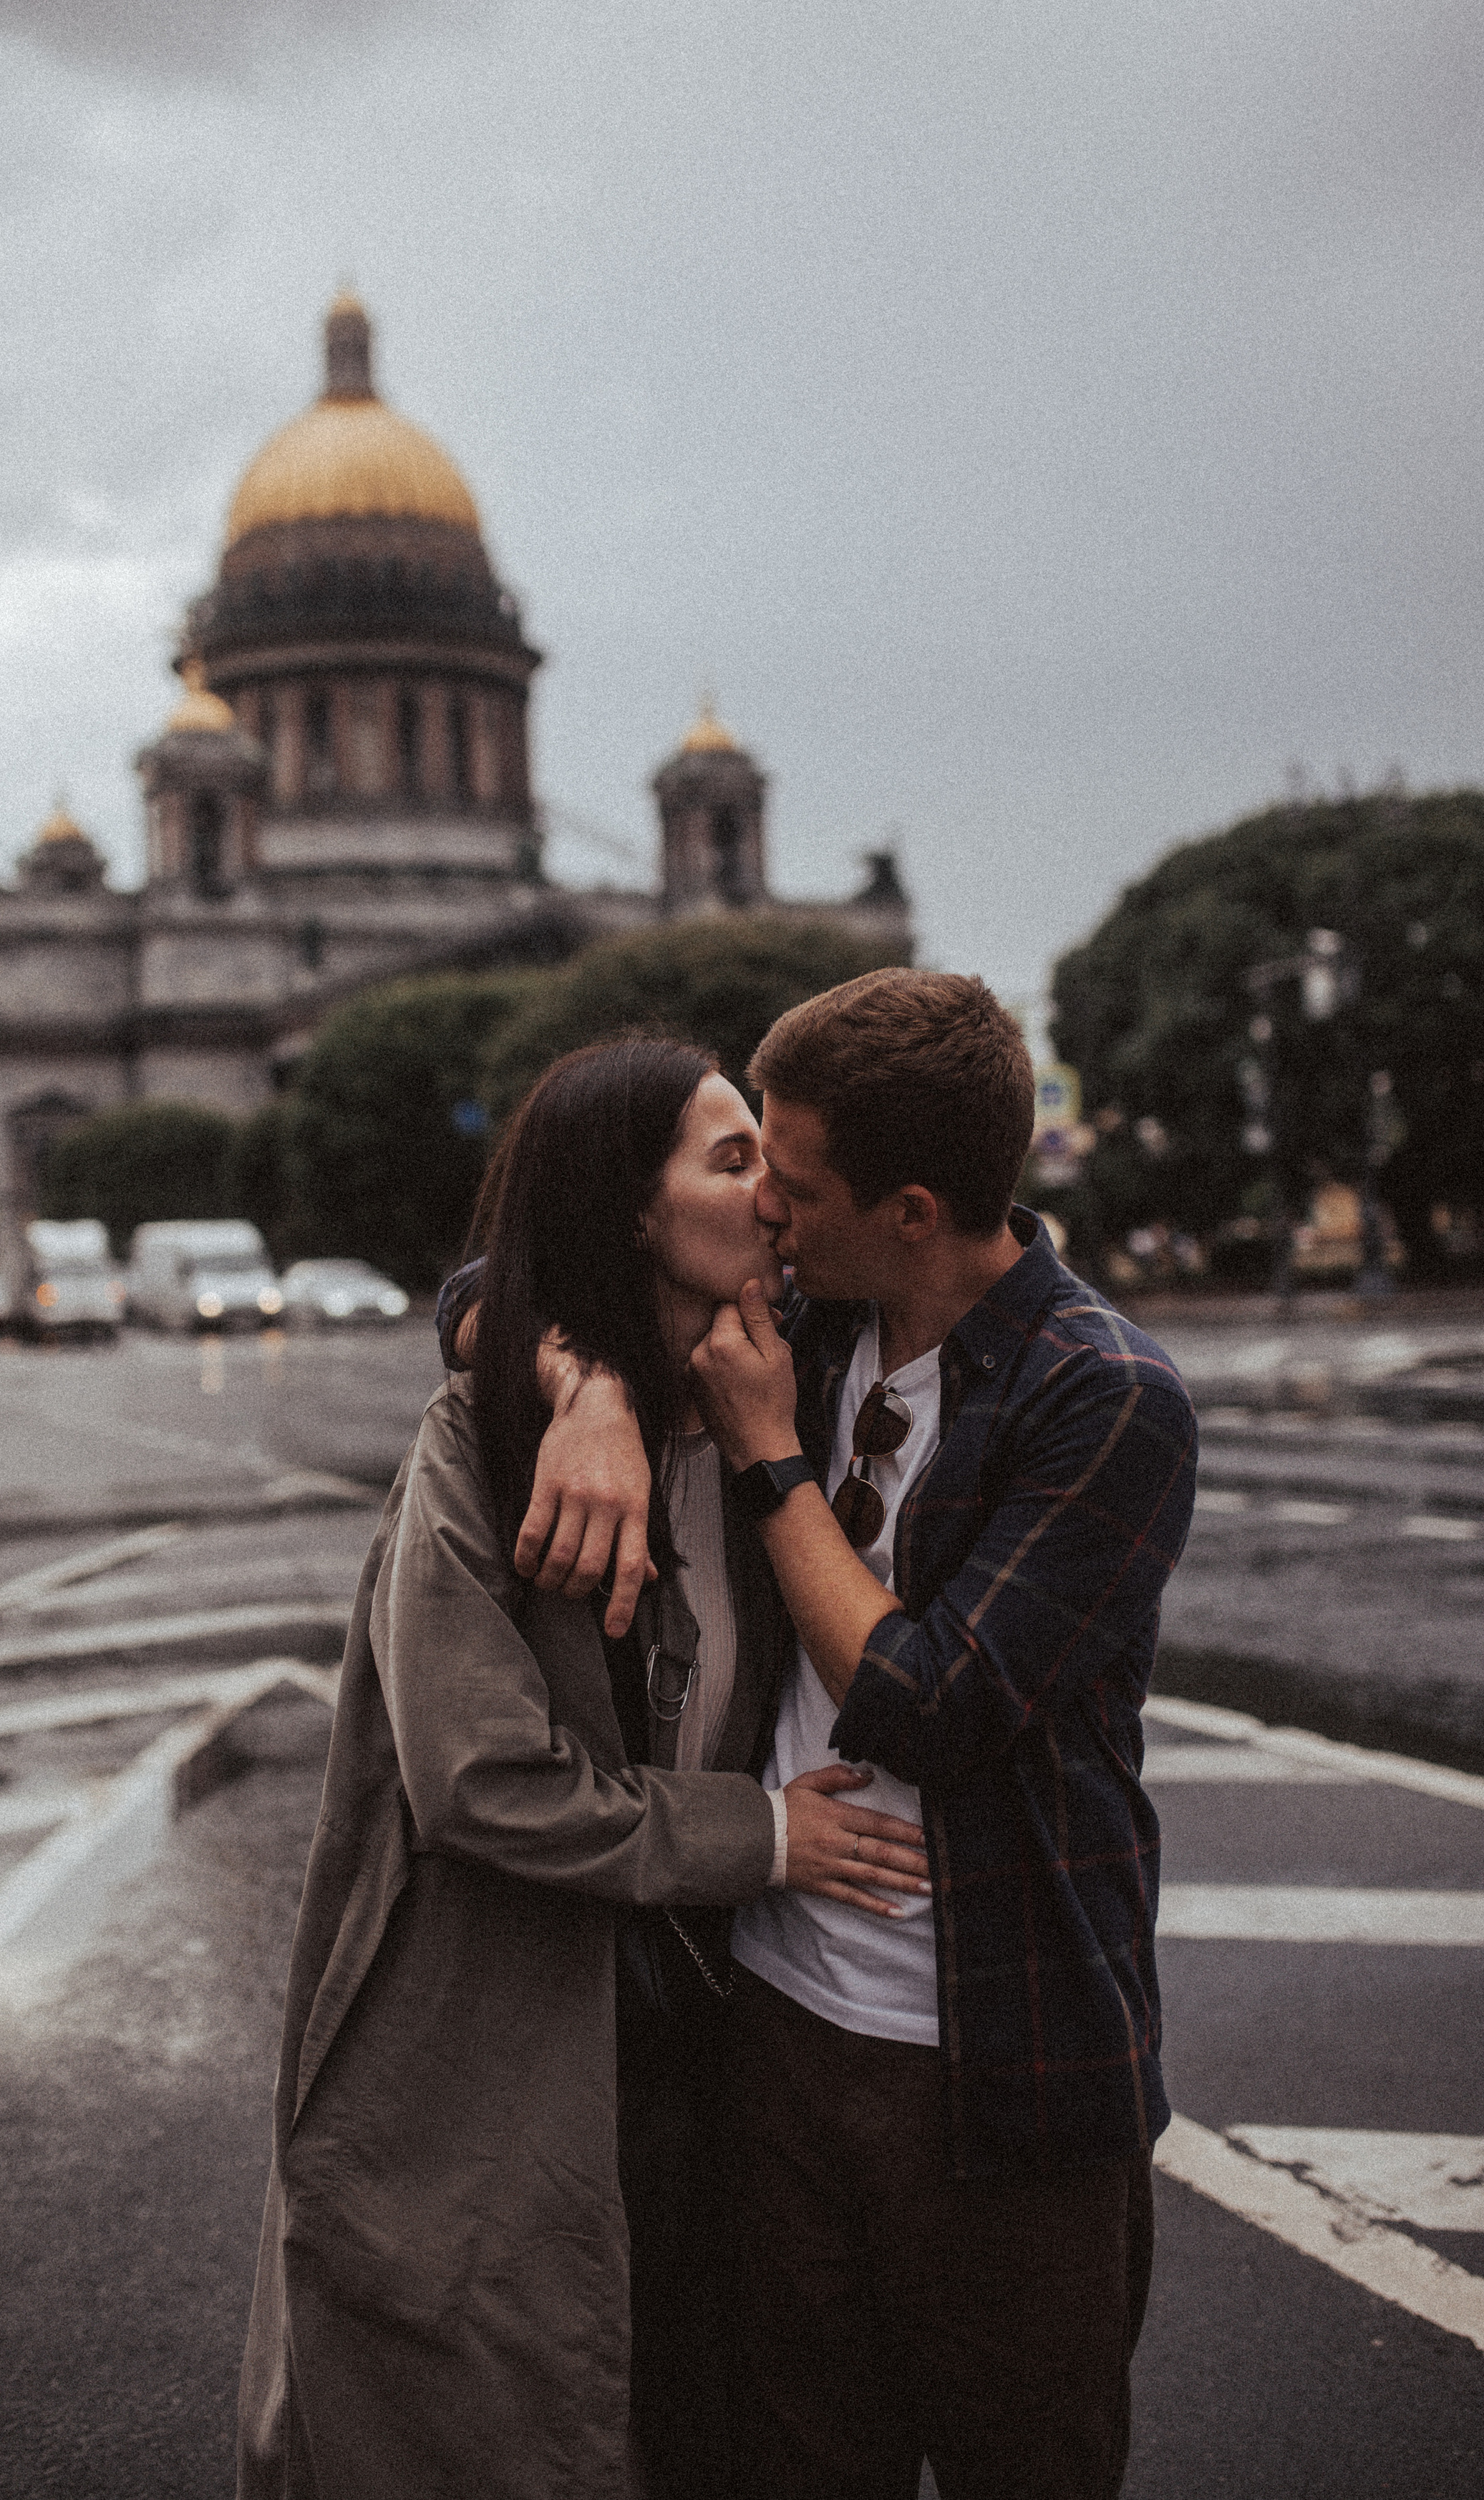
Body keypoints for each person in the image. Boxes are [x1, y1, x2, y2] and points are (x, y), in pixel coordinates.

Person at [492, 969, 1198, 2500]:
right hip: (773, 2032)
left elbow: (927, 1703)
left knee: (1026, 2463)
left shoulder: (1107, 1398)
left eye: (794, 1187)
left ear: (915, 1210)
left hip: (1000, 2072)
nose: (767, 1220)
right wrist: (592, 1386)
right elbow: (490, 1288)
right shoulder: (812, 1320)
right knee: (793, 2463)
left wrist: (763, 1457)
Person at [237, 1037, 928, 2500]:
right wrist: (766, 1838)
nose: (778, 1192)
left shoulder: (775, 1394)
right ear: (629, 1208)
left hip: (715, 2034)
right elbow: (481, 1781)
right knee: (496, 2415)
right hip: (500, 2026)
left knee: (695, 2408)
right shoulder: (485, 1450)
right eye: (733, 1160)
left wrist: (586, 1373)